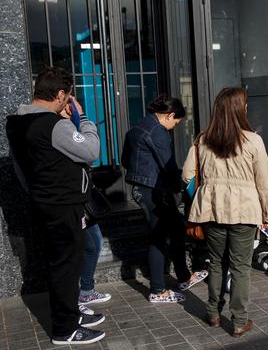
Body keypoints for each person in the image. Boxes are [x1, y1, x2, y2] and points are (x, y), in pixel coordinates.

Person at [6, 67, 105, 345]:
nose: (69, 102)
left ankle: (70, 314)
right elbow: (91, 150)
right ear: (61, 95)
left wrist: (37, 192)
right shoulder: (55, 125)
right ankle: (65, 329)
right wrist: (82, 118)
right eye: (68, 97)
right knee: (66, 266)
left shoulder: (16, 123)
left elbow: (20, 168)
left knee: (63, 263)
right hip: (64, 206)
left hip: (44, 202)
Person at [182, 87, 268, 337]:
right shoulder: (253, 140)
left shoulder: (202, 139)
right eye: (244, 105)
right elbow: (264, 182)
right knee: (241, 266)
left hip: (211, 208)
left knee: (216, 263)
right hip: (244, 209)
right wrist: (267, 212)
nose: (246, 108)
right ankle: (239, 320)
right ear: (238, 109)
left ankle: (212, 312)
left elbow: (186, 174)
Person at [122, 95, 208, 304]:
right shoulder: (158, 131)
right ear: (169, 115)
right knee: (158, 237)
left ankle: (183, 277)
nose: (173, 127)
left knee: (177, 228)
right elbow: (168, 166)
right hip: (154, 191)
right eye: (175, 123)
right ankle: (158, 290)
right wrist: (181, 187)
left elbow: (125, 160)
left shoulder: (136, 128)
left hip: (143, 188)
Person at [65, 103, 112, 314]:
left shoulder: (67, 126)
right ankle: (77, 296)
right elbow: (91, 151)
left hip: (82, 199)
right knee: (79, 249)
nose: (71, 107)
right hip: (70, 201)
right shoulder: (59, 128)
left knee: (95, 243)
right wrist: (82, 117)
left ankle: (86, 289)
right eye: (68, 103)